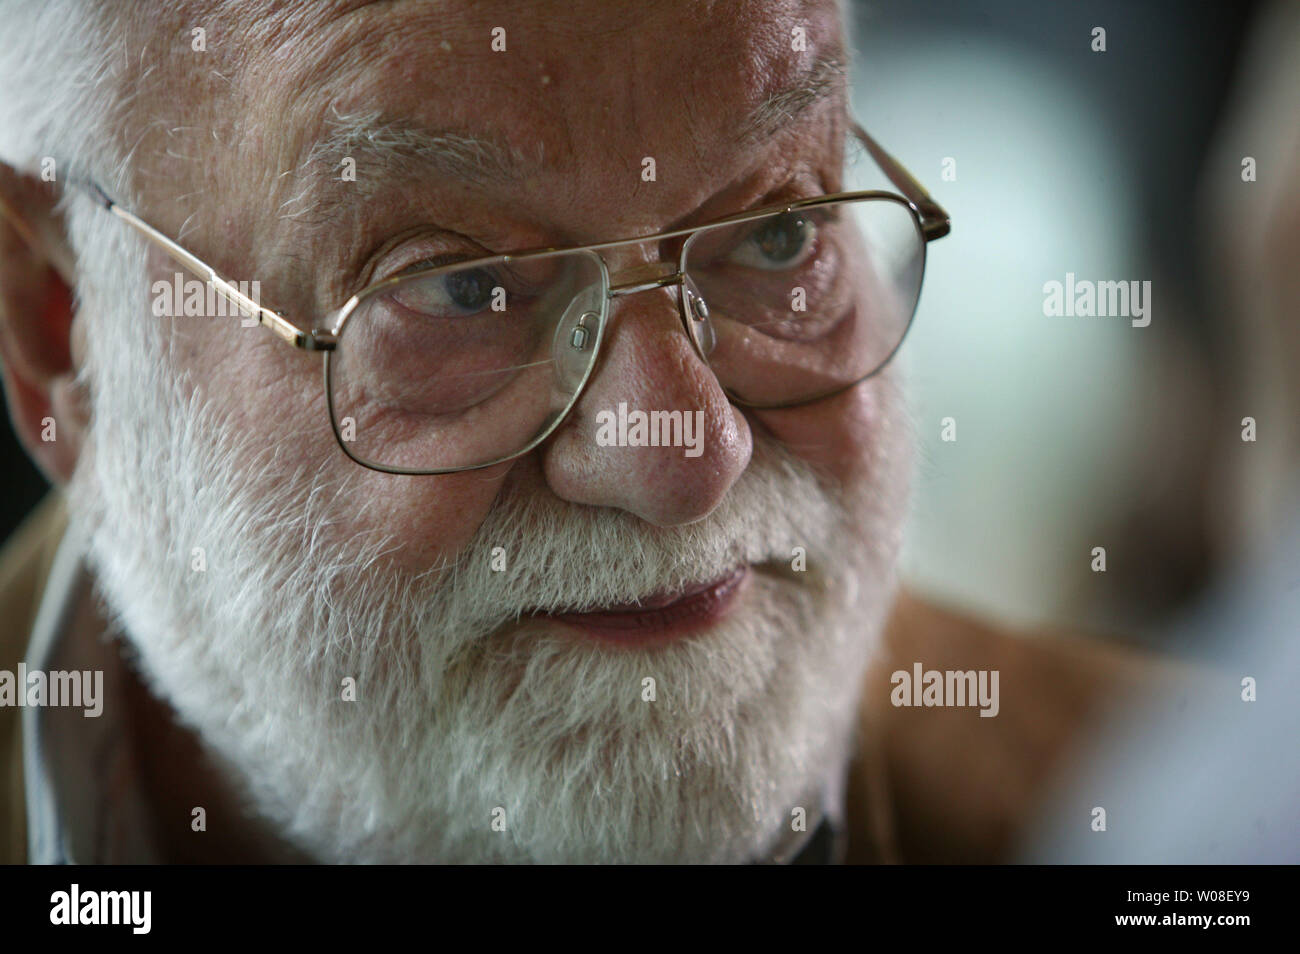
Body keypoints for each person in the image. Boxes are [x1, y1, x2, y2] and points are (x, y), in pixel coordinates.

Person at [0, 0, 1181, 864]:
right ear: (67, 331)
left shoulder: (1172, 825)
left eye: (777, 232)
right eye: (459, 287)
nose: (683, 460)